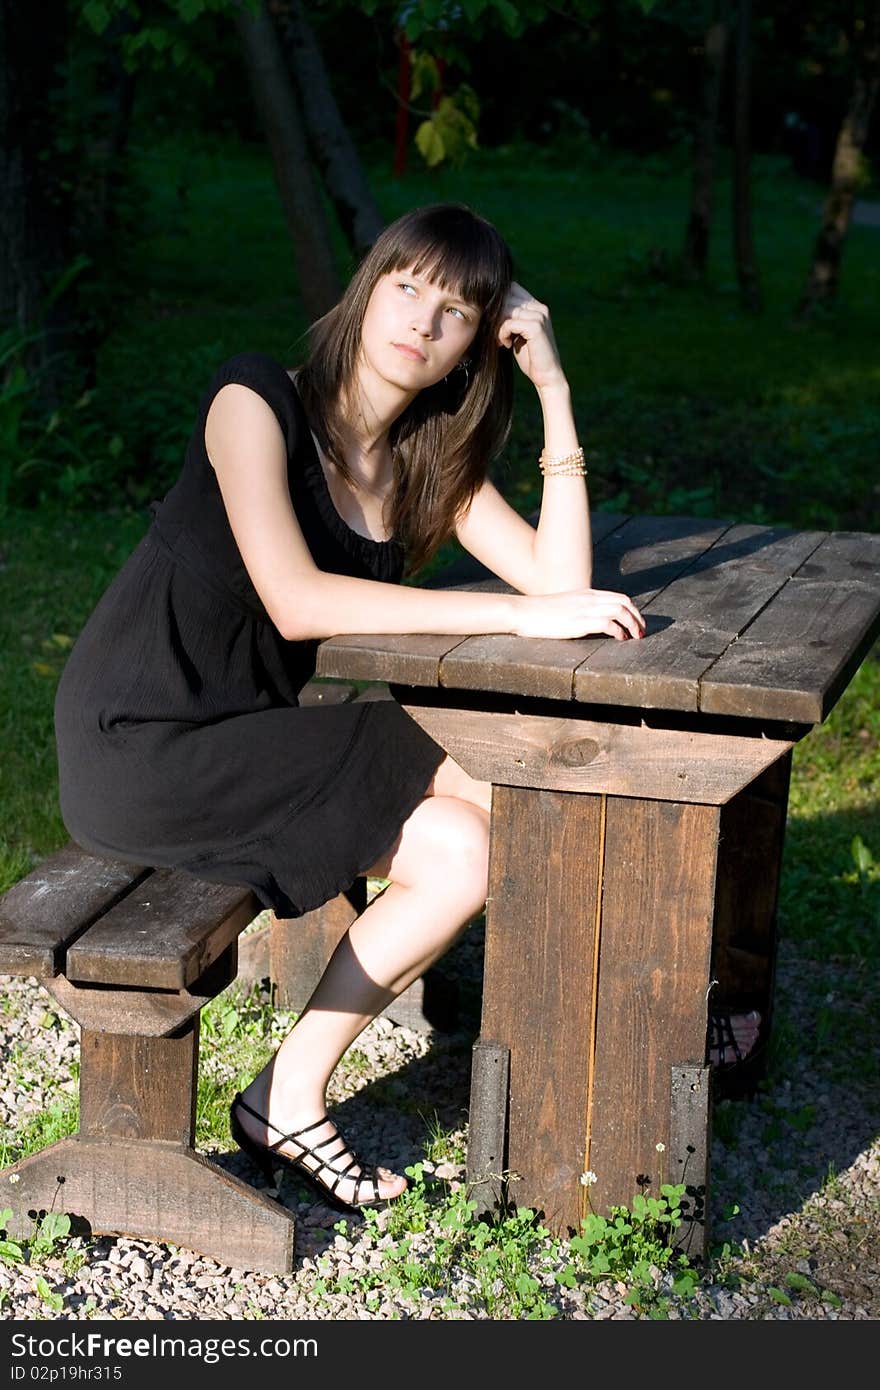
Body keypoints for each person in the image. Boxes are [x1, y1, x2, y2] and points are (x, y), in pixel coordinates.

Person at [53, 202, 752, 1214]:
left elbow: (562, 580)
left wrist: (550, 386)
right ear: (367, 286)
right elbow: (296, 598)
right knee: (484, 765)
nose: (421, 321)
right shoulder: (253, 402)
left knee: (467, 849)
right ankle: (623, 1008)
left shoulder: (424, 459)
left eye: (458, 311)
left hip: (249, 736)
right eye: (406, 286)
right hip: (144, 743)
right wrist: (527, 620)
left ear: (477, 346)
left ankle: (288, 1093)